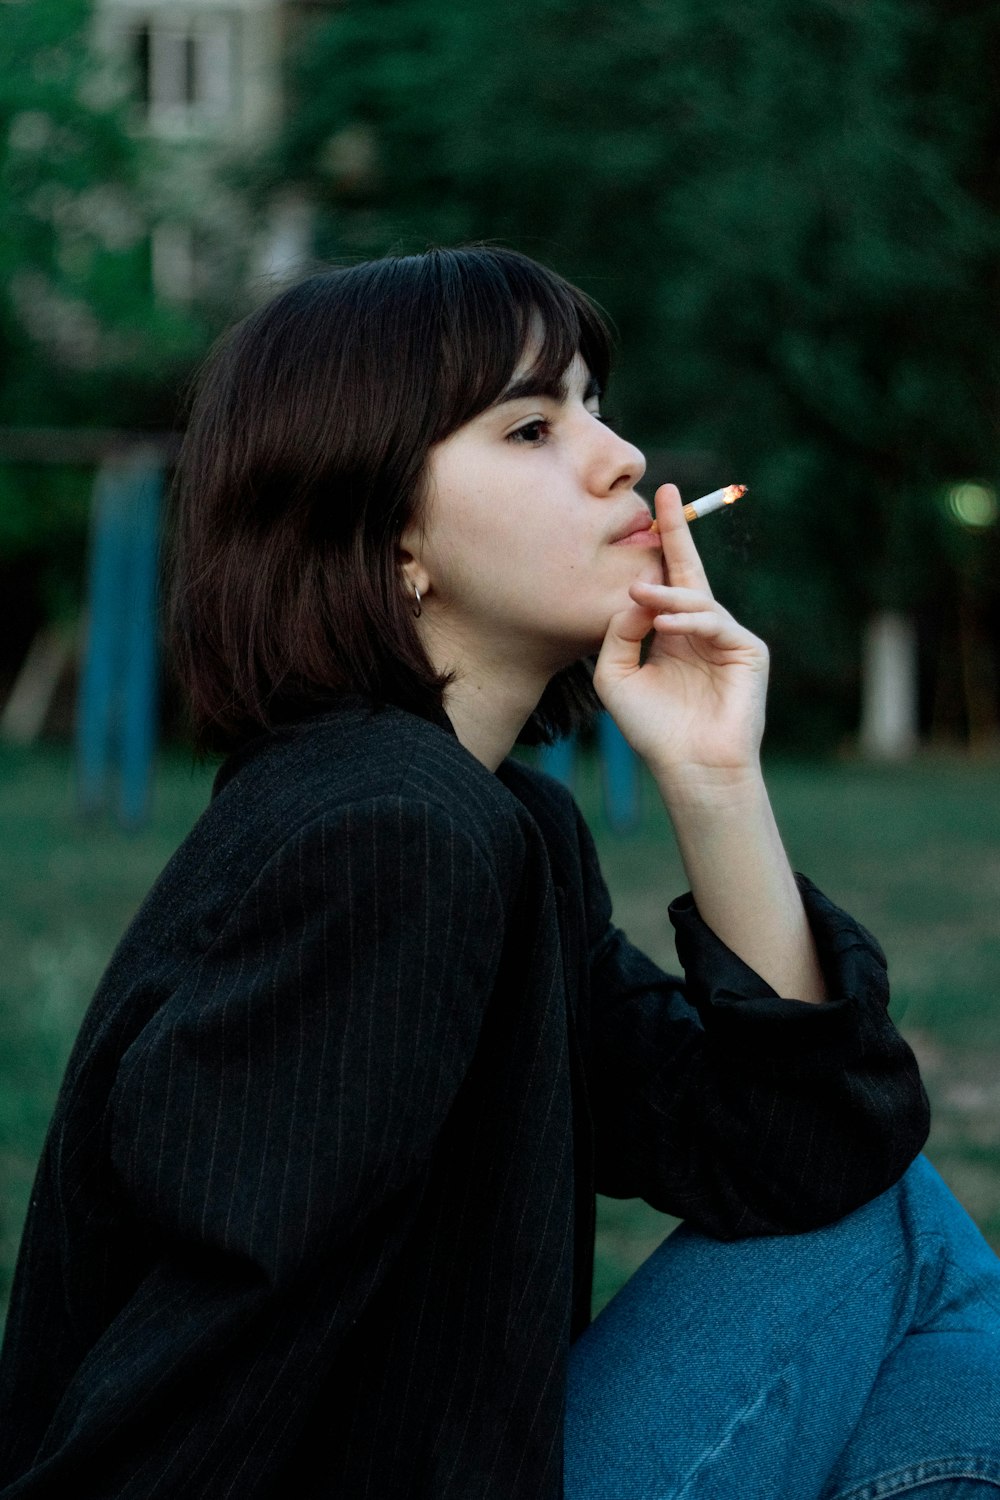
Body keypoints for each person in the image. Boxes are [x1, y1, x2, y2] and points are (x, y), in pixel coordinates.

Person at [0, 246, 997, 1499]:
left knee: (889, 1220)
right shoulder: (384, 839)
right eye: (530, 426)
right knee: (908, 1242)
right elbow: (220, 1341)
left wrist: (715, 784)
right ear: (386, 530)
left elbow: (811, 1152)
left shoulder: (497, 823)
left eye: (591, 401)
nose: (619, 455)